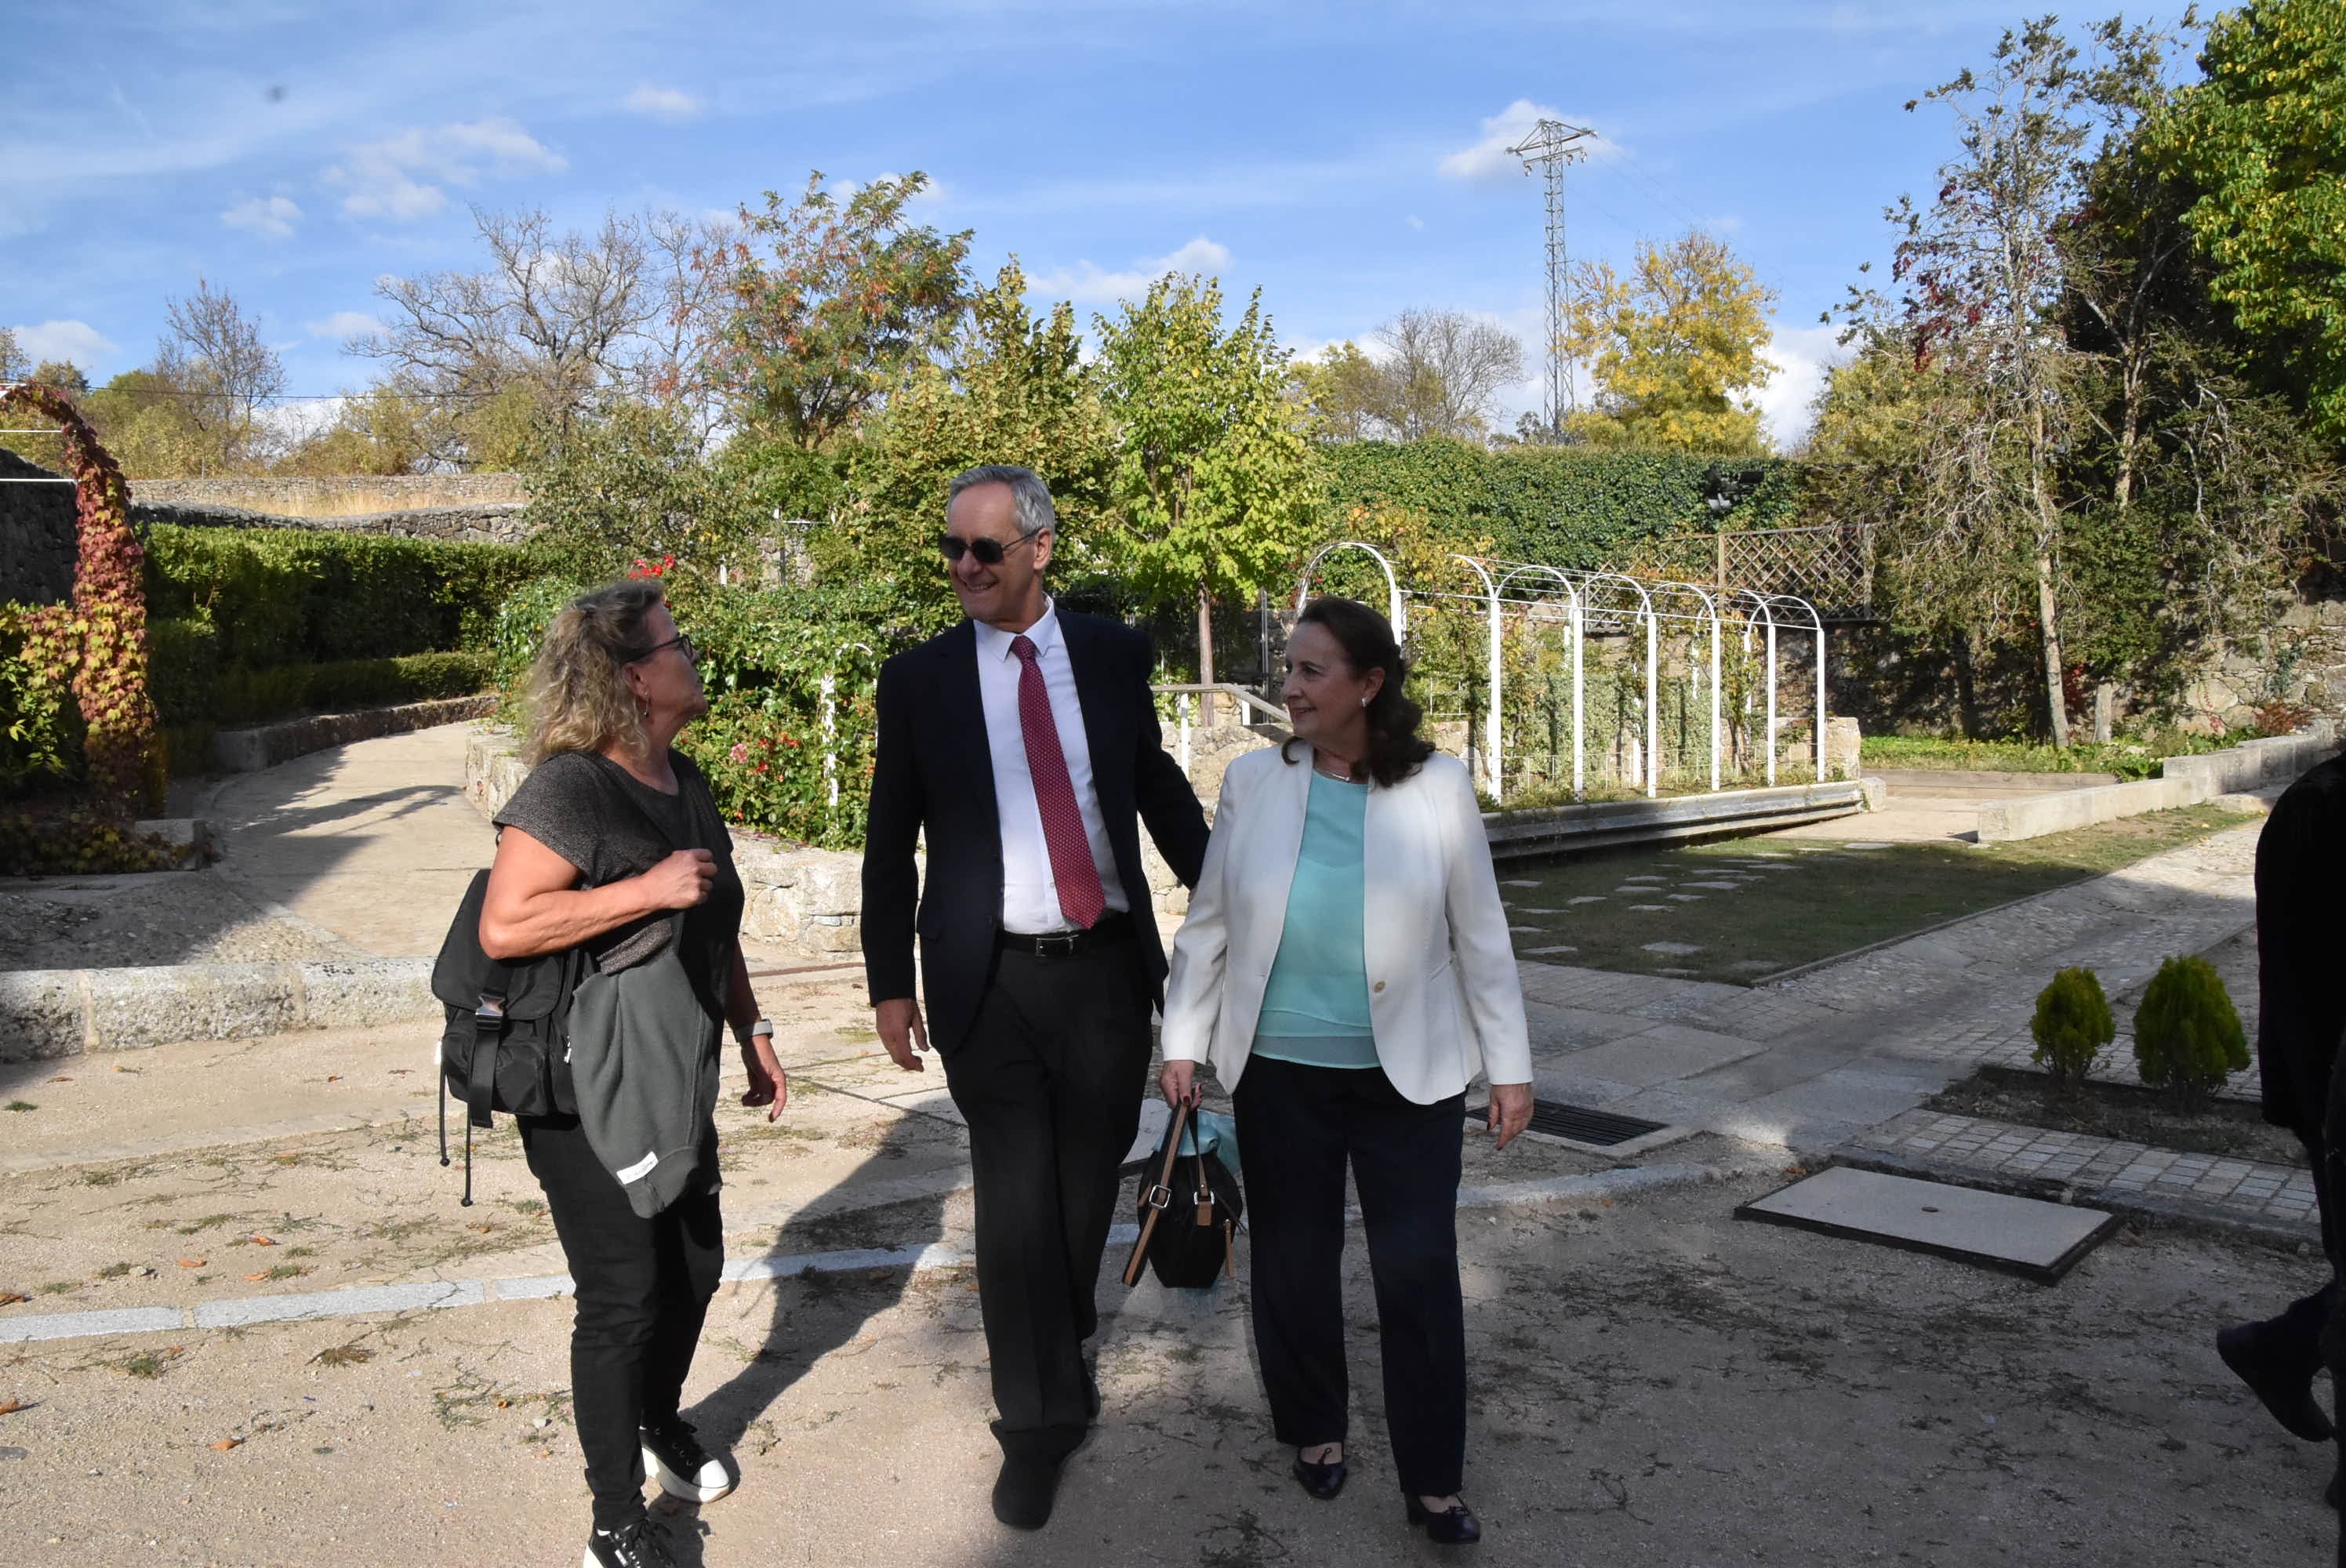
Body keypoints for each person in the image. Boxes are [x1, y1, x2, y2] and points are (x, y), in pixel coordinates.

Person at [860, 463, 1211, 1528]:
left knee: (1082, 1186)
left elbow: (1154, 786)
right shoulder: (918, 681)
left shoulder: (1110, 655)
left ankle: (1061, 1337)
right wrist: (889, 982)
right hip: (987, 977)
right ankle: (1036, 1422)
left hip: (1104, 969)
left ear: (1041, 547)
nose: (963, 567)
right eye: (952, 549)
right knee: (1013, 1201)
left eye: (985, 549)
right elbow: (889, 840)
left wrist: (1230, 897)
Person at [1157, 595, 1535, 1548]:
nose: (1288, 686)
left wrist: (1510, 1067)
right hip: (1279, 1069)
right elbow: (1209, 921)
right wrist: (1182, 1040)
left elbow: (1480, 930)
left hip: (1410, 1077)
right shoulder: (1254, 780)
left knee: (1418, 1273)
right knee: (1293, 1262)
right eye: (1288, 668)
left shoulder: (1438, 783)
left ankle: (1434, 1480)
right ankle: (1315, 1424)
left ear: (1368, 683)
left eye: (1309, 670)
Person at [481, 579, 789, 1568]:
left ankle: (658, 1418)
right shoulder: (571, 788)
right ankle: (614, 1521)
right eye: (675, 641)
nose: (692, 652)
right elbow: (506, 923)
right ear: (632, 678)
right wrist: (644, 888)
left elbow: (716, 923)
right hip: (580, 1084)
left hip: (672, 1072)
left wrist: (751, 1026)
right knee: (622, 1292)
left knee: (693, 1265)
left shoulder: (683, 779)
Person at [2218, 746, 2346, 1519]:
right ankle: (2279, 1350)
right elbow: (2305, 977)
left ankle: (2278, 1349)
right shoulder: (2321, 807)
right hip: (2334, 1091)